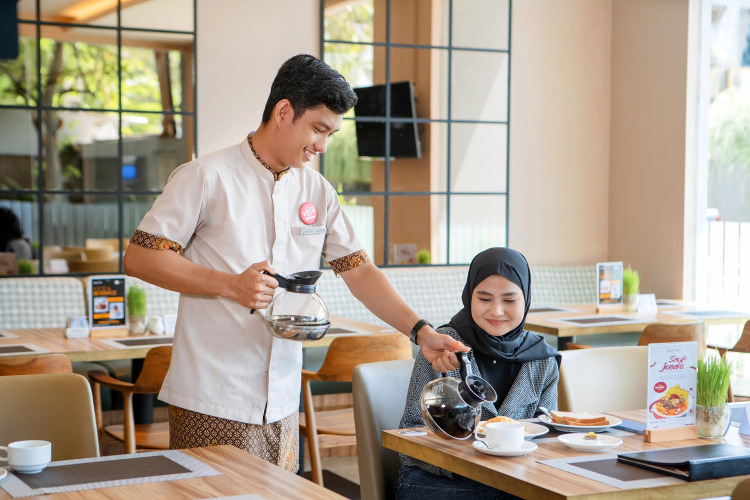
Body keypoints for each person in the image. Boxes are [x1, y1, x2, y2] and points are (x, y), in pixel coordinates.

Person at [122, 53, 467, 472]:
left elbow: (359, 271)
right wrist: (230, 285)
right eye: (318, 129)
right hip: (213, 397)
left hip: (284, 400)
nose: (323, 146)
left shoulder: (317, 190)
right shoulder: (206, 175)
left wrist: (422, 332)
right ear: (284, 111)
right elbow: (140, 257)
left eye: (331, 134)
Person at [396, 247, 561, 500]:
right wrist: (477, 462)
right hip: (436, 479)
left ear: (526, 299)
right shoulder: (444, 346)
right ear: (469, 296)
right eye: (484, 299)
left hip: (514, 478)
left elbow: (546, 435)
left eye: (509, 300)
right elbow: (412, 430)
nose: (496, 311)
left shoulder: (542, 358)